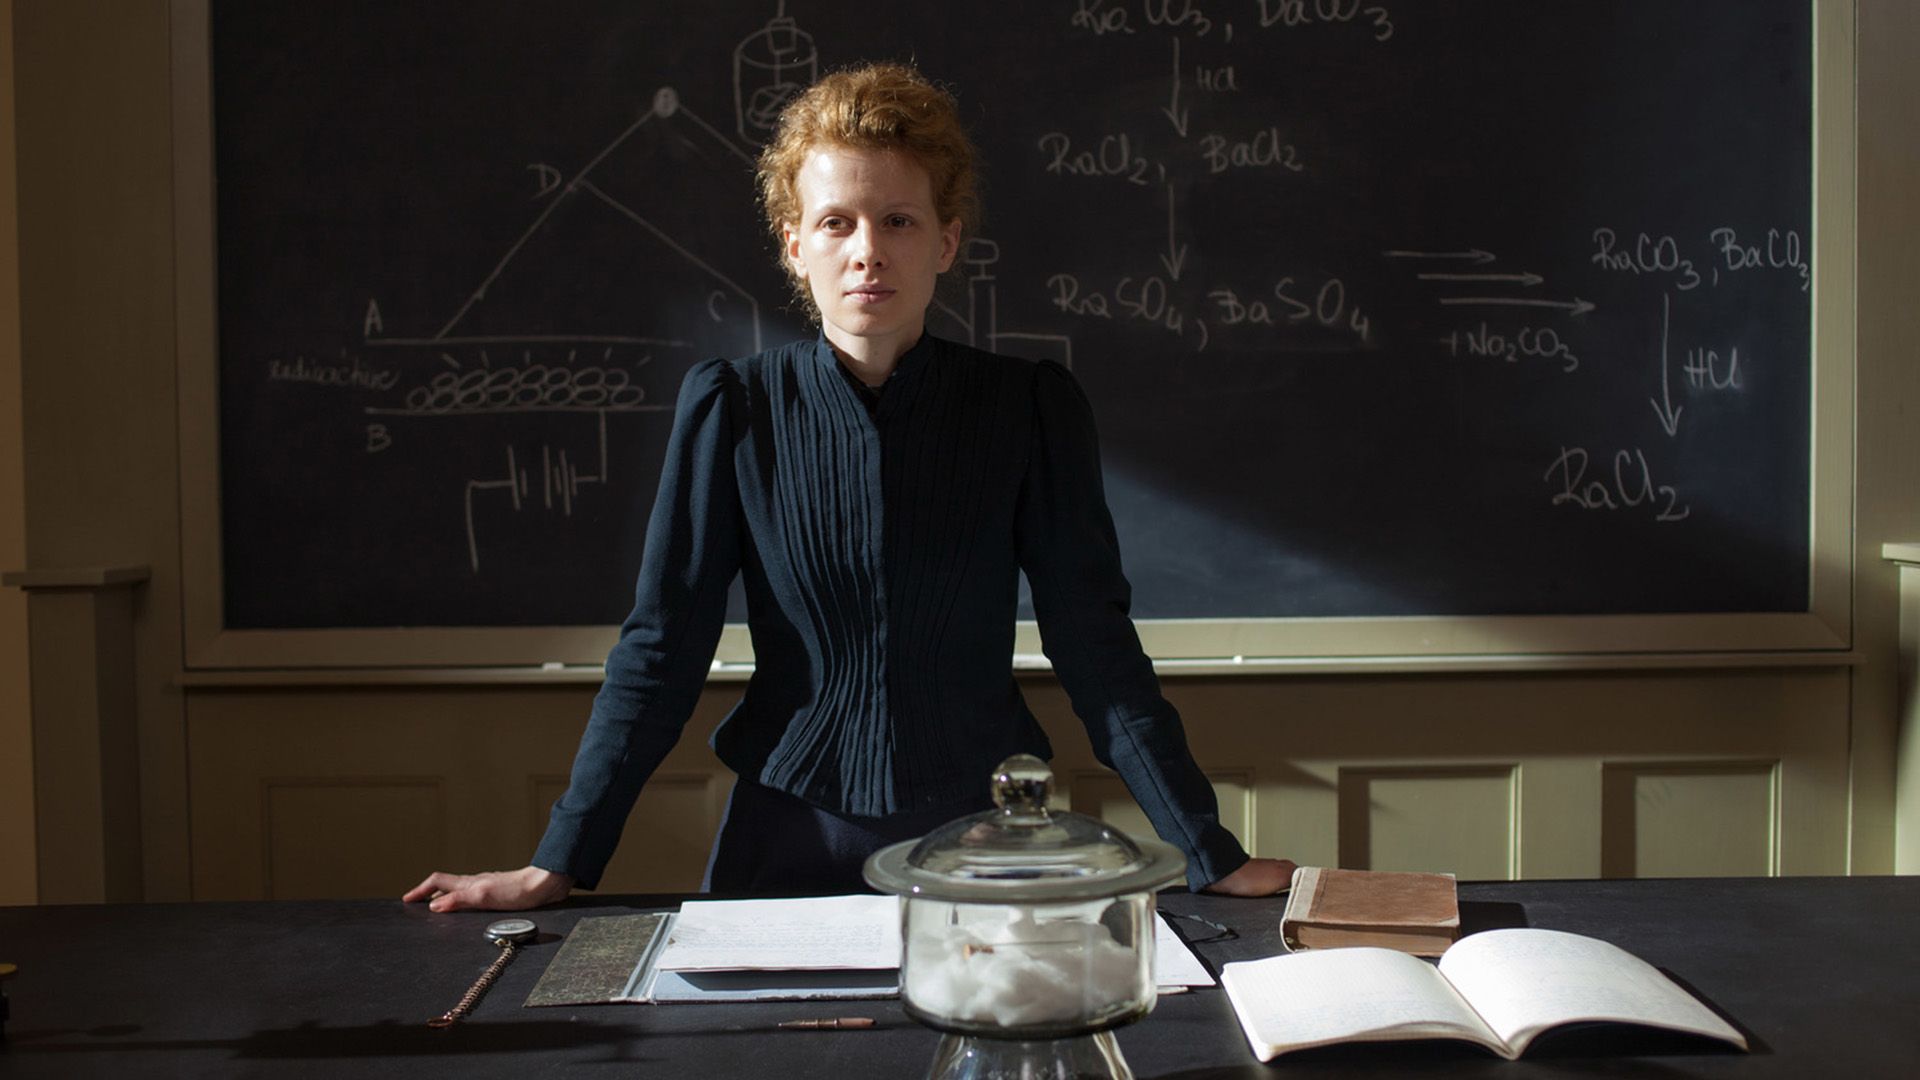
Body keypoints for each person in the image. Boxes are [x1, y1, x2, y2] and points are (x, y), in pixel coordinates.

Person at [405, 62, 1294, 913]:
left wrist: (1208, 851)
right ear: (795, 246)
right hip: (782, 832)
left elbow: (1094, 645)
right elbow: (661, 648)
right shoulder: (734, 409)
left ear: (946, 242)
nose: (868, 252)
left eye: (899, 221)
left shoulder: (1028, 410)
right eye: (837, 223)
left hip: (982, 839)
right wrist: (557, 861)